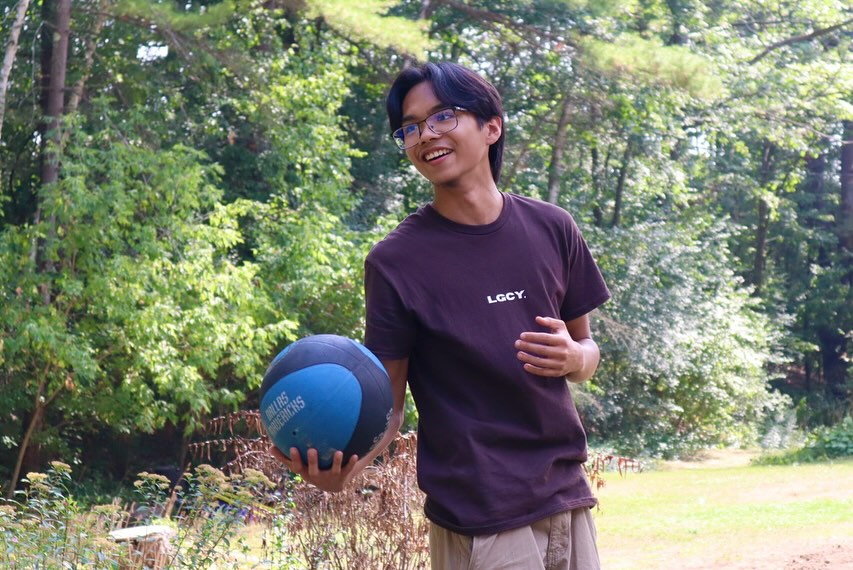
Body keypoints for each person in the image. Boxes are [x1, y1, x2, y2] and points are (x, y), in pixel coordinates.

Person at [272, 62, 611, 570]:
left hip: (567, 496)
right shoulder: (396, 262)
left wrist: (574, 358)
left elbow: (588, 351)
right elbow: (387, 405)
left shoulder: (553, 227)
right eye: (410, 128)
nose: (425, 135)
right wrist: (345, 470)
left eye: (442, 117)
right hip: (479, 514)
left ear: (491, 127)